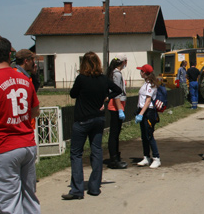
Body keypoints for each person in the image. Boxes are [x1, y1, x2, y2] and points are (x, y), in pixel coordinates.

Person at [0, 37, 43, 214]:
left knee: (8, 202)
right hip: (26, 143)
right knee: (28, 195)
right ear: (8, 55)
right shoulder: (24, 79)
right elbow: (35, 109)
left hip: (3, 147)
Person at [62, 52, 121, 200]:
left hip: (82, 120)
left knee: (76, 153)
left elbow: (73, 94)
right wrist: (106, 98)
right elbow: (118, 90)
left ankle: (77, 189)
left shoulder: (81, 79)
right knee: (96, 151)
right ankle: (94, 187)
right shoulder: (103, 79)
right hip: (98, 119)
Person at [135, 64, 161, 169]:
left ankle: (156, 158)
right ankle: (146, 156)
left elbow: (148, 101)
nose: (140, 72)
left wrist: (141, 114)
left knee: (149, 135)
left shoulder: (150, 85)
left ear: (145, 73)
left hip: (148, 112)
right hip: (143, 111)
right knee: (144, 136)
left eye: (141, 71)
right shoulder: (145, 83)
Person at [106, 54, 128, 169]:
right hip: (115, 106)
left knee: (116, 133)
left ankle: (116, 157)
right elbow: (117, 93)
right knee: (114, 134)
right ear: (124, 61)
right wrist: (120, 110)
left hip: (118, 106)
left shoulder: (116, 73)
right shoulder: (117, 74)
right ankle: (114, 159)